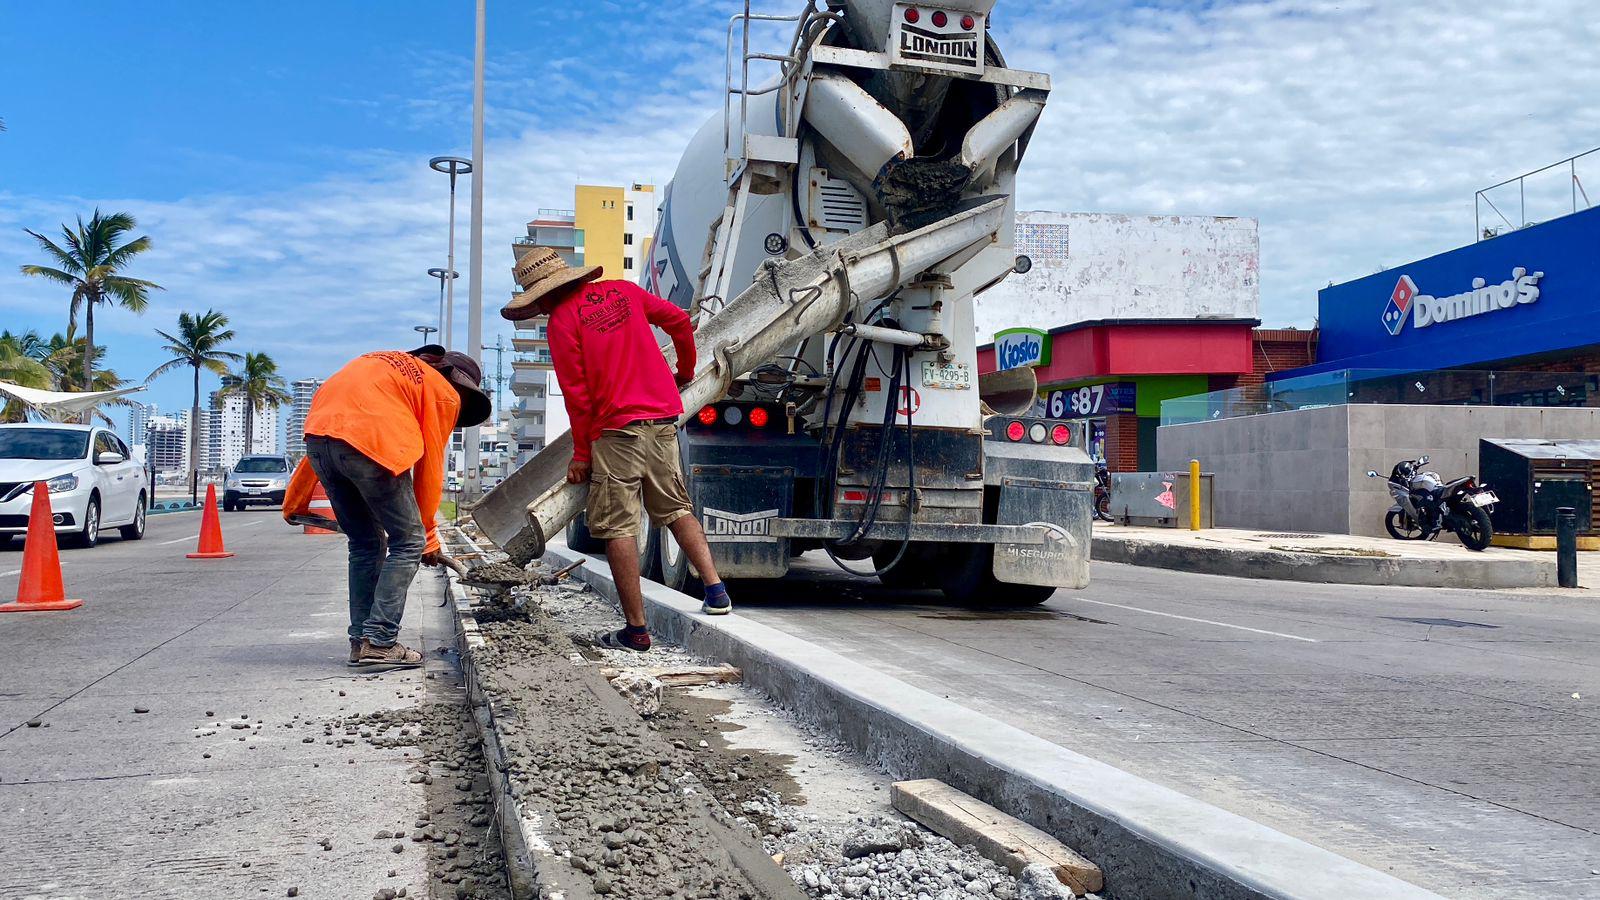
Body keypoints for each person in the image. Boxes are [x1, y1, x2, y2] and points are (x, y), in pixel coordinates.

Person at [502, 246, 730, 652]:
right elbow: (679, 321)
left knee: (618, 527)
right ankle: (716, 593)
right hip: (662, 422)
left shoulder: (560, 323)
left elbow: (578, 397)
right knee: (676, 508)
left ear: (541, 295)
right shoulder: (624, 292)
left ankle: (636, 631)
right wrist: (684, 370)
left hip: (616, 431)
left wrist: (582, 457)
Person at [283, 346, 491, 669]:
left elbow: (331, 432)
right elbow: (430, 469)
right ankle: (380, 640)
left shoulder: (385, 367)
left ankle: (360, 643)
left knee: (365, 543)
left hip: (318, 440)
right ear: (457, 383)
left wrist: (295, 499)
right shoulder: (443, 393)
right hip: (368, 441)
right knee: (408, 541)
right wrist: (428, 537)